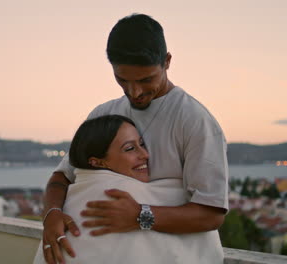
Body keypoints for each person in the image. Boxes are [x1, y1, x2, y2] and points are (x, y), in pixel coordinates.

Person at [41, 14, 229, 264]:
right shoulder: (103, 114)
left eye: (145, 80)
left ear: (167, 62)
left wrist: (141, 215)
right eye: (122, 80)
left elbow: (212, 214)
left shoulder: (195, 121)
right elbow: (62, 177)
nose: (134, 92)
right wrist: (51, 213)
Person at [33, 115, 223, 264]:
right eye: (130, 148)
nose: (145, 154)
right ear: (97, 162)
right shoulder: (123, 193)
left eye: (141, 144)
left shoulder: (72, 196)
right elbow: (207, 226)